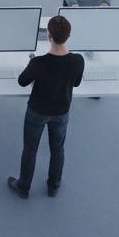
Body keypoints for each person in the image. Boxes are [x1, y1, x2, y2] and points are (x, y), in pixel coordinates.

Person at [8, 15, 84, 199]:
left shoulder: (38, 63)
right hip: (61, 112)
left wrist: (35, 75)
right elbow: (76, 83)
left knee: (30, 149)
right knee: (58, 149)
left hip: (37, 111)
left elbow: (21, 81)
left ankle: (23, 187)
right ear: (69, 35)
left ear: (49, 36)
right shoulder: (78, 60)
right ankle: (54, 186)